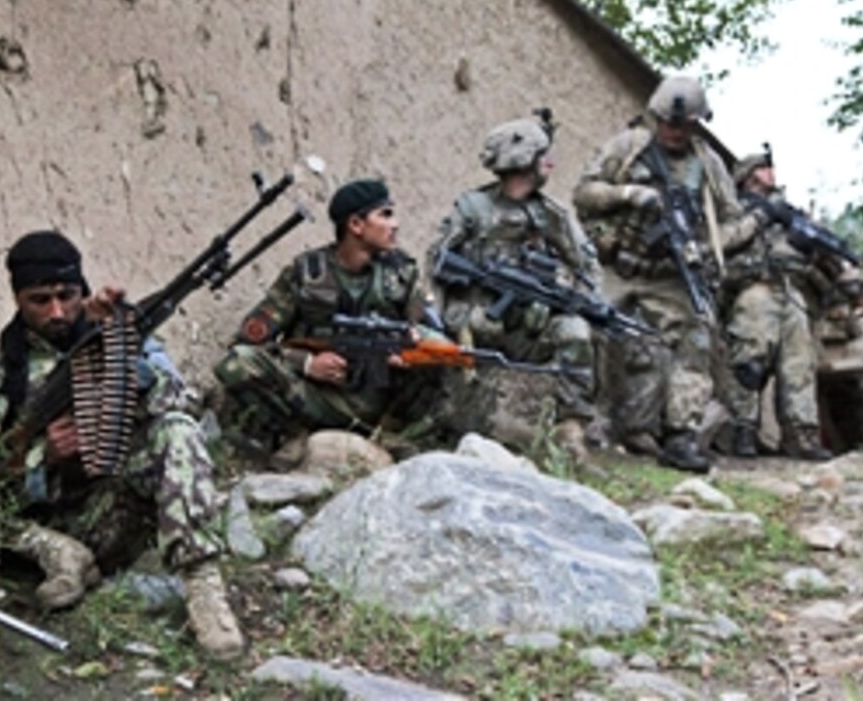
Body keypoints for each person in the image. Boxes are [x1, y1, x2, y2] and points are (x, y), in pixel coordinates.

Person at [0, 231, 244, 659]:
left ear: (84, 290)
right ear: (18, 300)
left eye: (67, 295)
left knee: (176, 428)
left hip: (113, 509)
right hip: (48, 525)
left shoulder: (120, 337)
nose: (57, 311)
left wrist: (121, 358)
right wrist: (43, 460)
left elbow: (184, 401)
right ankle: (62, 556)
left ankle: (204, 589)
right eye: (40, 300)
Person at [573, 75, 765, 473]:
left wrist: (707, 246)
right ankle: (587, 421)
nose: (674, 132)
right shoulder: (627, 148)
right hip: (619, 266)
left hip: (672, 273)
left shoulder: (709, 166)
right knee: (592, 331)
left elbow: (734, 220)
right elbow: (584, 192)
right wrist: (627, 195)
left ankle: (681, 435)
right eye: (668, 123)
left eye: (684, 125)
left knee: (696, 338)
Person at [429, 115, 602, 463]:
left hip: (529, 323)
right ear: (523, 161)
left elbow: (586, 267)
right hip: (475, 320)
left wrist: (568, 295)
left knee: (575, 332)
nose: (549, 163)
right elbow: (437, 260)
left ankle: (570, 428)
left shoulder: (551, 215)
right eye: (543, 155)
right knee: (480, 323)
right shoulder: (472, 209)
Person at [214, 179, 440, 445]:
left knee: (447, 361)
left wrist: (409, 351)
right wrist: (308, 363)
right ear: (355, 225)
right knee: (238, 362)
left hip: (379, 403)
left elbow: (433, 332)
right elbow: (246, 342)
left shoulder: (401, 274)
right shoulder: (307, 273)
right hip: (312, 397)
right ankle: (282, 440)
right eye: (385, 215)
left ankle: (405, 441)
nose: (395, 224)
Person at [722, 151, 834, 460]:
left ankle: (802, 436)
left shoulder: (786, 213)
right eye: (763, 168)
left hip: (791, 290)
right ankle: (743, 431)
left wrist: (805, 239)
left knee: (799, 365)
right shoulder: (733, 208)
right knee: (749, 360)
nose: (771, 173)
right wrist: (760, 217)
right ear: (749, 175)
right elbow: (723, 242)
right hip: (754, 288)